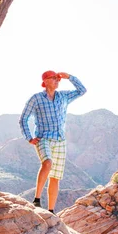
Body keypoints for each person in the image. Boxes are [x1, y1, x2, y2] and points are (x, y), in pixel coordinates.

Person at [19, 71, 87, 214]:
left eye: (58, 79)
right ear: (46, 81)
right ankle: (37, 199)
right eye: (54, 78)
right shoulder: (36, 99)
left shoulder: (63, 97)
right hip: (43, 138)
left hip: (60, 141)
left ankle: (51, 210)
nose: (57, 81)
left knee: (55, 177)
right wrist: (29, 137)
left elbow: (82, 90)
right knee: (47, 163)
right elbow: (23, 118)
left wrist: (69, 77)